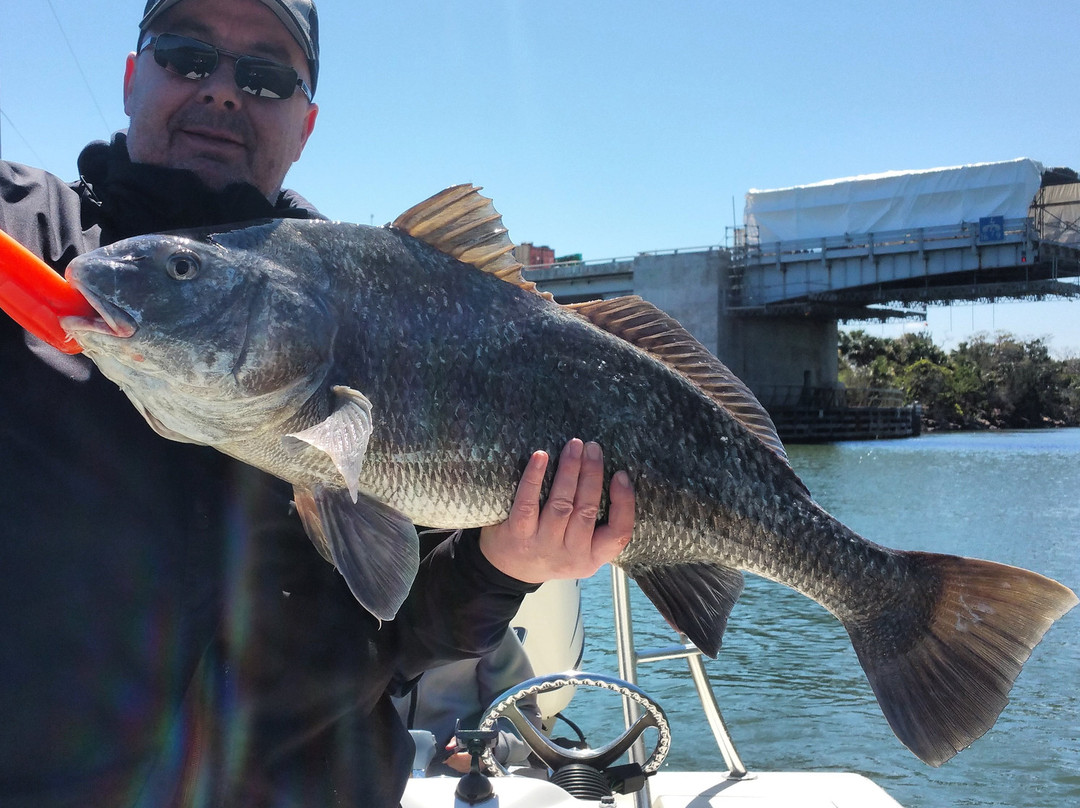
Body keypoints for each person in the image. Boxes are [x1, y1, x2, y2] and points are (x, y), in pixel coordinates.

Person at [0, 1, 635, 806]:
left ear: (305, 125)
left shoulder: (392, 311)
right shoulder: (22, 234)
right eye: (186, 55)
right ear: (132, 78)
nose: (222, 90)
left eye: (266, 76)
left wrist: (505, 564)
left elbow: (404, 629)